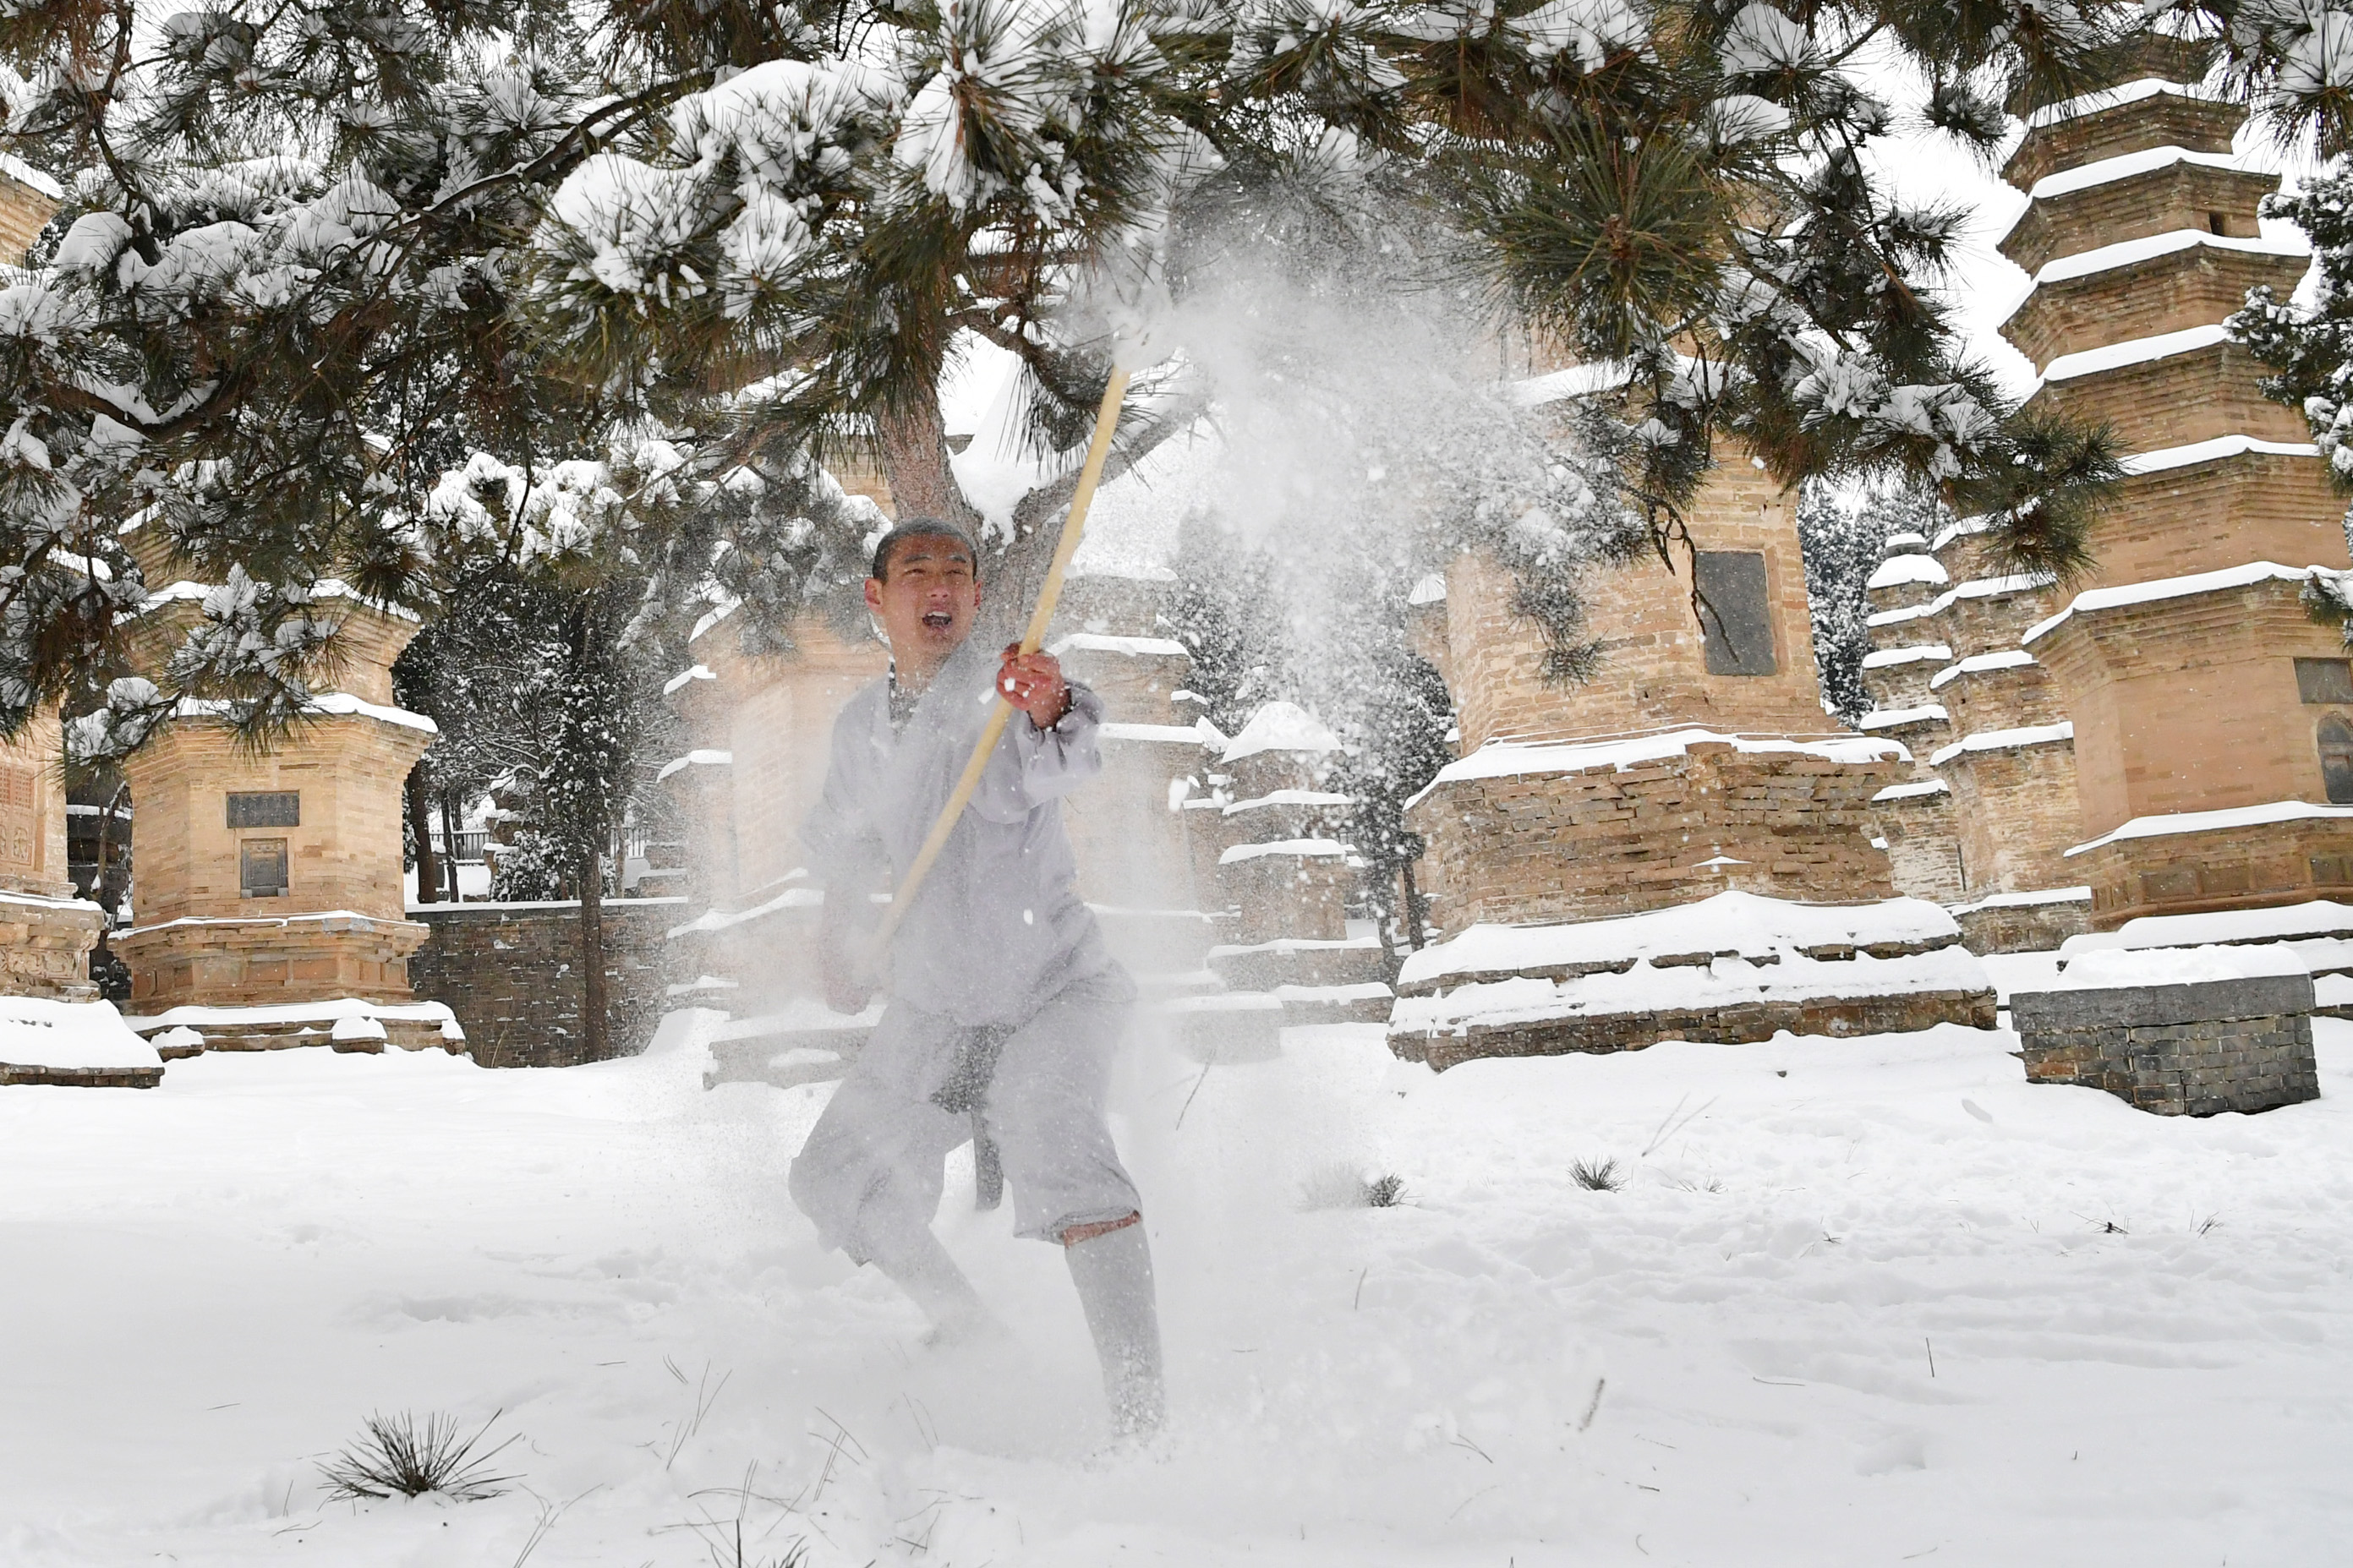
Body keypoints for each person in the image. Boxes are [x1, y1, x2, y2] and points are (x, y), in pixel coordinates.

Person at [789, 516, 1165, 1439]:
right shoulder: (857, 731)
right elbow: (842, 845)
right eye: (915, 570)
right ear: (878, 598)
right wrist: (838, 934)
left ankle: (1143, 1423)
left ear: (974, 597)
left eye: (956, 569)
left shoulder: (1007, 686)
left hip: (1048, 989)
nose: (938, 584)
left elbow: (1066, 745)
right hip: (936, 1008)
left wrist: (1048, 701)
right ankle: (971, 1333)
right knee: (832, 1173)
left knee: (1053, 1131)